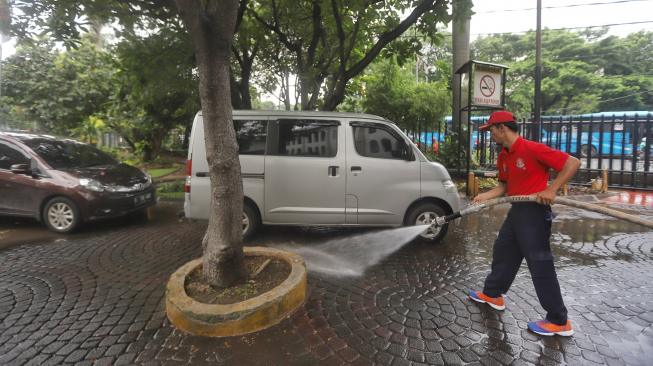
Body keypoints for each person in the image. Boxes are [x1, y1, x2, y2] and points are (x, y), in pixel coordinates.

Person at [468, 110, 580, 337]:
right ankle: (493, 293)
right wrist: (484, 197)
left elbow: (572, 163)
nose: (490, 135)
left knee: (540, 264)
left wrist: (551, 189)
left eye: (491, 130)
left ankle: (559, 320)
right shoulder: (504, 156)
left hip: (535, 213)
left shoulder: (532, 148)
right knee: (504, 251)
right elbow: (505, 188)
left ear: (502, 128)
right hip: (518, 210)